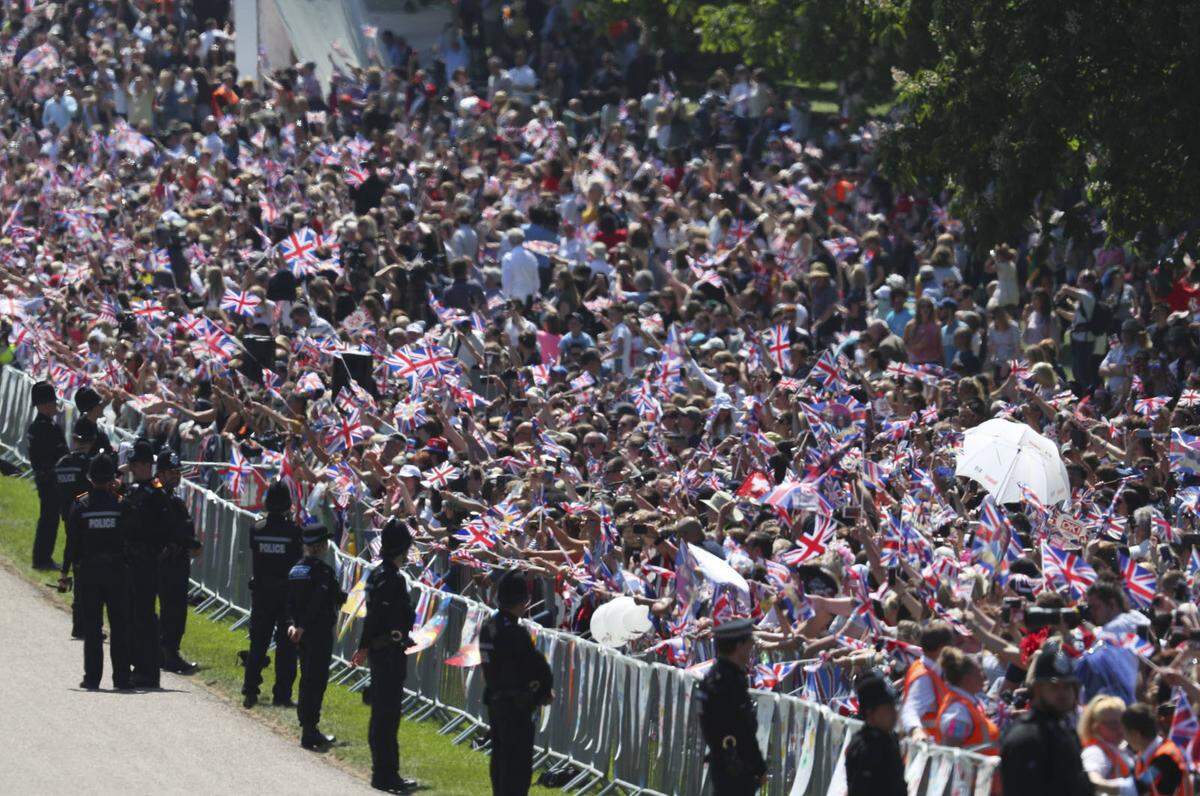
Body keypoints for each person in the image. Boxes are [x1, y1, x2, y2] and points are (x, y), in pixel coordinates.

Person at [351, 518, 418, 794]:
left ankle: (383, 770)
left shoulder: (378, 575)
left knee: (382, 713)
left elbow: (373, 619)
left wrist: (364, 645)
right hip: (389, 653)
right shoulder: (393, 580)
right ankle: (386, 774)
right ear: (401, 549)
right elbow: (384, 618)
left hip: (382, 651)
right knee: (387, 716)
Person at [59, 454, 132, 690]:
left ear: (90, 478)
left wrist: (64, 573)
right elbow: (130, 540)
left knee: (92, 629)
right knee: (120, 627)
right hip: (117, 573)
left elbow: (72, 543)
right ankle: (121, 679)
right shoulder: (121, 505)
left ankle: (92, 679)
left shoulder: (81, 505)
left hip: (89, 574)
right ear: (112, 478)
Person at [479, 570, 554, 795]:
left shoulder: (488, 625)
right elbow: (533, 667)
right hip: (516, 706)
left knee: (500, 761)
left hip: (495, 701)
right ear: (521, 601)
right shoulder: (514, 632)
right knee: (517, 767)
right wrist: (543, 690)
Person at [998, 642, 1095, 796]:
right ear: (1037, 689)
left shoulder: (1065, 730)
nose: (1062, 693)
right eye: (1054, 687)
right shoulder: (1025, 737)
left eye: (1067, 686)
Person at [242, 481, 303, 708]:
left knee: (258, 642)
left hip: (261, 593)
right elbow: (296, 562)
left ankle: (250, 689)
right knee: (286, 647)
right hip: (285, 595)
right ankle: (282, 694)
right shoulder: (294, 532)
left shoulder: (256, 529)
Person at [287, 523, 346, 750]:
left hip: (300, 634)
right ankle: (310, 729)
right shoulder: (323, 572)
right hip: (318, 632)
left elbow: (289, 603)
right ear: (321, 546)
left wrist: (293, 625)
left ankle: (307, 725)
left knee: (306, 677)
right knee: (317, 680)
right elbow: (321, 601)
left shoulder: (295, 570)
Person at [696, 618, 767, 796]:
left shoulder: (718, 676)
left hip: (725, 762)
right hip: (735, 764)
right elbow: (741, 729)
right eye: (749, 643)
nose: (751, 647)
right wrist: (759, 766)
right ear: (738, 646)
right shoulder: (728, 682)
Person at [123, 440, 172, 689]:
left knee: (144, 617)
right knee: (133, 615)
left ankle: (148, 670)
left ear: (145, 465)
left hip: (147, 561)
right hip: (132, 561)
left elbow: (163, 530)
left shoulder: (156, 493)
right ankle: (137, 665)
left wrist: (152, 553)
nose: (130, 468)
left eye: (134, 464)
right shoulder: (134, 489)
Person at [154, 448, 201, 674]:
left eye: (177, 472)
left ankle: (169, 651)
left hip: (178, 562)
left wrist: (192, 543)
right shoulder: (155, 497)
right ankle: (165, 652)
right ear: (160, 474)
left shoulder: (176, 500)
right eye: (171, 472)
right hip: (163, 562)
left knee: (176, 610)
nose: (176, 476)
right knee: (168, 609)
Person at [54, 418, 98, 639]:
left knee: (75, 560)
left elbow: (59, 490)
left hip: (68, 516)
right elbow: (93, 491)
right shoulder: (91, 464)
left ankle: (78, 622)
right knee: (86, 572)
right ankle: (84, 623)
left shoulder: (62, 463)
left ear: (74, 439)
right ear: (91, 441)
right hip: (87, 519)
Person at [845, 670, 906, 796]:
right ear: (870, 713)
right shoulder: (866, 748)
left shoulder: (888, 739)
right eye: (888, 709)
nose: (894, 713)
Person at [28, 380, 67, 571]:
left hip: (46, 478)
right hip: (51, 479)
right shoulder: (47, 428)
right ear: (43, 404)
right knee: (49, 520)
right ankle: (42, 559)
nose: (55, 405)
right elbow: (59, 456)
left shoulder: (38, 427)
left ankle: (42, 557)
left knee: (48, 519)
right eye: (52, 402)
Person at [935, 647, 1000, 755]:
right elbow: (950, 751)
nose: (983, 677)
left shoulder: (969, 703)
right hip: (971, 771)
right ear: (967, 679)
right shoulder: (959, 711)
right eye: (979, 672)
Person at [1122, 702, 1191, 796]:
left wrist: (1100, 784)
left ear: (1136, 734)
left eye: (1125, 733)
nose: (1124, 739)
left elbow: (1140, 786)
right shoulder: (1145, 755)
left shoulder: (1166, 757)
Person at [901, 621, 953, 741]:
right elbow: (910, 709)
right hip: (928, 750)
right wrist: (916, 731)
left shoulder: (930, 669)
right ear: (942, 649)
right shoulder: (924, 677)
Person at [1076, 695, 1134, 794]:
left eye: (1123, 722)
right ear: (1096, 727)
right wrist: (1125, 789)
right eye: (1113, 724)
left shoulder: (1123, 748)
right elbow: (1091, 780)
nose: (1120, 729)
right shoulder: (1095, 752)